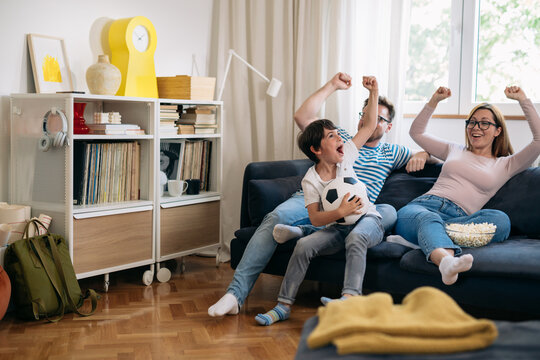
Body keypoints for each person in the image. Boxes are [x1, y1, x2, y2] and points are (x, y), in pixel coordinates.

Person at [208, 72, 432, 317]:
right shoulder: (341, 140)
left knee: (332, 228)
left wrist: (422, 154)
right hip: (314, 198)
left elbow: (430, 153)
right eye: (366, 112)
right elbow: (302, 118)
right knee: (273, 219)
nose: (369, 119)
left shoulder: (392, 152)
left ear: (388, 126)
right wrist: (333, 85)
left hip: (349, 211)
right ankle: (235, 295)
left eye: (379, 117)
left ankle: (300, 232)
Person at [255, 77, 384, 325]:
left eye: (339, 135)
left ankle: (350, 298)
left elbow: (368, 126)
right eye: (333, 137)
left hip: (368, 219)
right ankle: (283, 306)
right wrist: (342, 211)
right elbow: (316, 218)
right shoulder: (311, 180)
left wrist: (374, 92)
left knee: (357, 237)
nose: (340, 140)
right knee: (303, 246)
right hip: (337, 226)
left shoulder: (346, 157)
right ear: (316, 149)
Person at [395, 86, 540, 285]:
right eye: (471, 122)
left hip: (461, 218)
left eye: (484, 123)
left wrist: (523, 100)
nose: (475, 127)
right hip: (423, 206)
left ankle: (423, 237)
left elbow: (538, 141)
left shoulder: (506, 164)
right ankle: (446, 261)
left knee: (501, 220)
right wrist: (434, 101)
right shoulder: (454, 149)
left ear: (498, 130)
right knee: (427, 218)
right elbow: (417, 132)